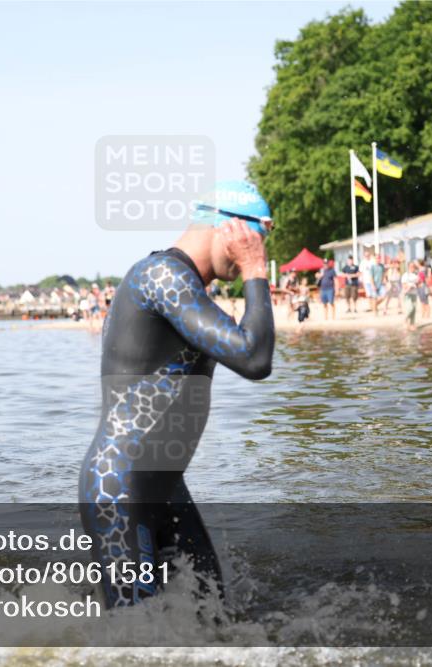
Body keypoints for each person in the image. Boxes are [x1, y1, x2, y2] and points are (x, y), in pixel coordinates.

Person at [79, 180, 275, 608]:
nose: (260, 250)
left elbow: (251, 348)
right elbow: (254, 357)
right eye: (259, 237)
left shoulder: (188, 291)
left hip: (165, 489)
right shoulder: (162, 276)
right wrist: (256, 271)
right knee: (136, 640)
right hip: (121, 489)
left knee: (216, 621)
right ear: (231, 228)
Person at [400, 260, 419, 331]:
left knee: (414, 309)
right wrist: (410, 286)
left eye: (413, 267)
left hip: (414, 293)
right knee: (410, 308)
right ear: (408, 267)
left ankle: (412, 324)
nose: (412, 268)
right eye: (411, 266)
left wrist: (415, 285)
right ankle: (405, 319)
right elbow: (404, 285)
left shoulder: (415, 275)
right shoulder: (405, 275)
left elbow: (418, 284)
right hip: (407, 294)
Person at [359, 248, 376, 313]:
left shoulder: (373, 261)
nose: (367, 256)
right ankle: (371, 307)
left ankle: (374, 306)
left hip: (373, 281)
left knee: (374, 294)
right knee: (369, 295)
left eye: (368, 255)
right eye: (366, 255)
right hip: (366, 281)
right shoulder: (362, 262)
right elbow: (361, 273)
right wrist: (362, 281)